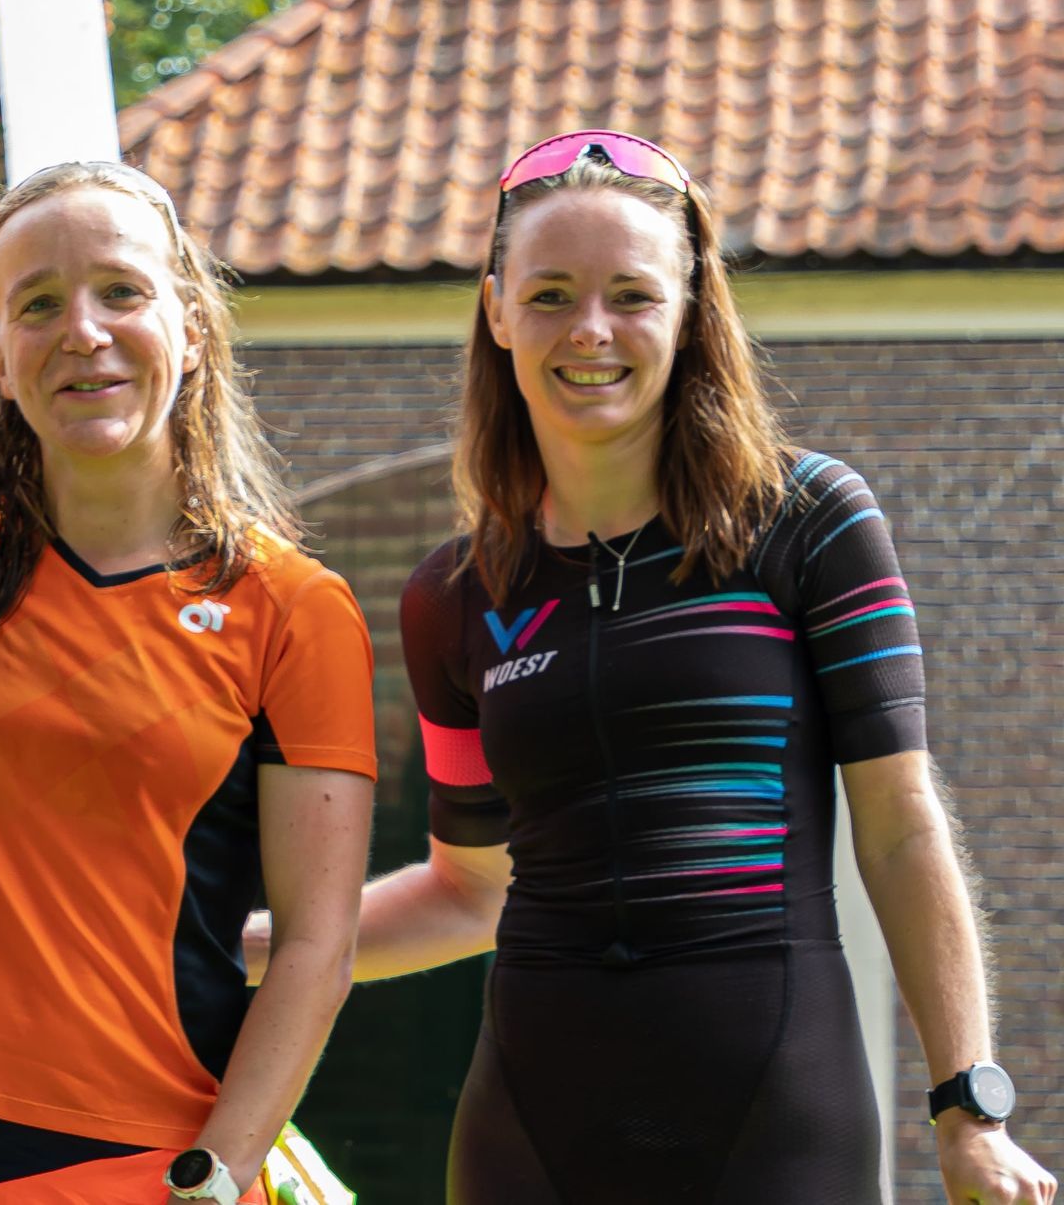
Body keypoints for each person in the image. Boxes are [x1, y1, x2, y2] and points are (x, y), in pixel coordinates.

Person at [266, 130, 1053, 1204]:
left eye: (631, 295)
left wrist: (969, 1107)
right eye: (549, 294)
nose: (590, 330)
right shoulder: (454, 598)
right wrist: (242, 944)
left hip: (772, 1115)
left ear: (689, 312)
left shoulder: (808, 525)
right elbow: (468, 891)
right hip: (530, 1133)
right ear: (497, 312)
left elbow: (902, 822)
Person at [0, 161, 378, 1205]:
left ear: (191, 326)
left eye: (121, 291)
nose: (81, 331)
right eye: (37, 304)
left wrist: (220, 1171)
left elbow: (317, 944)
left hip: (149, 1169)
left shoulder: (295, 610)